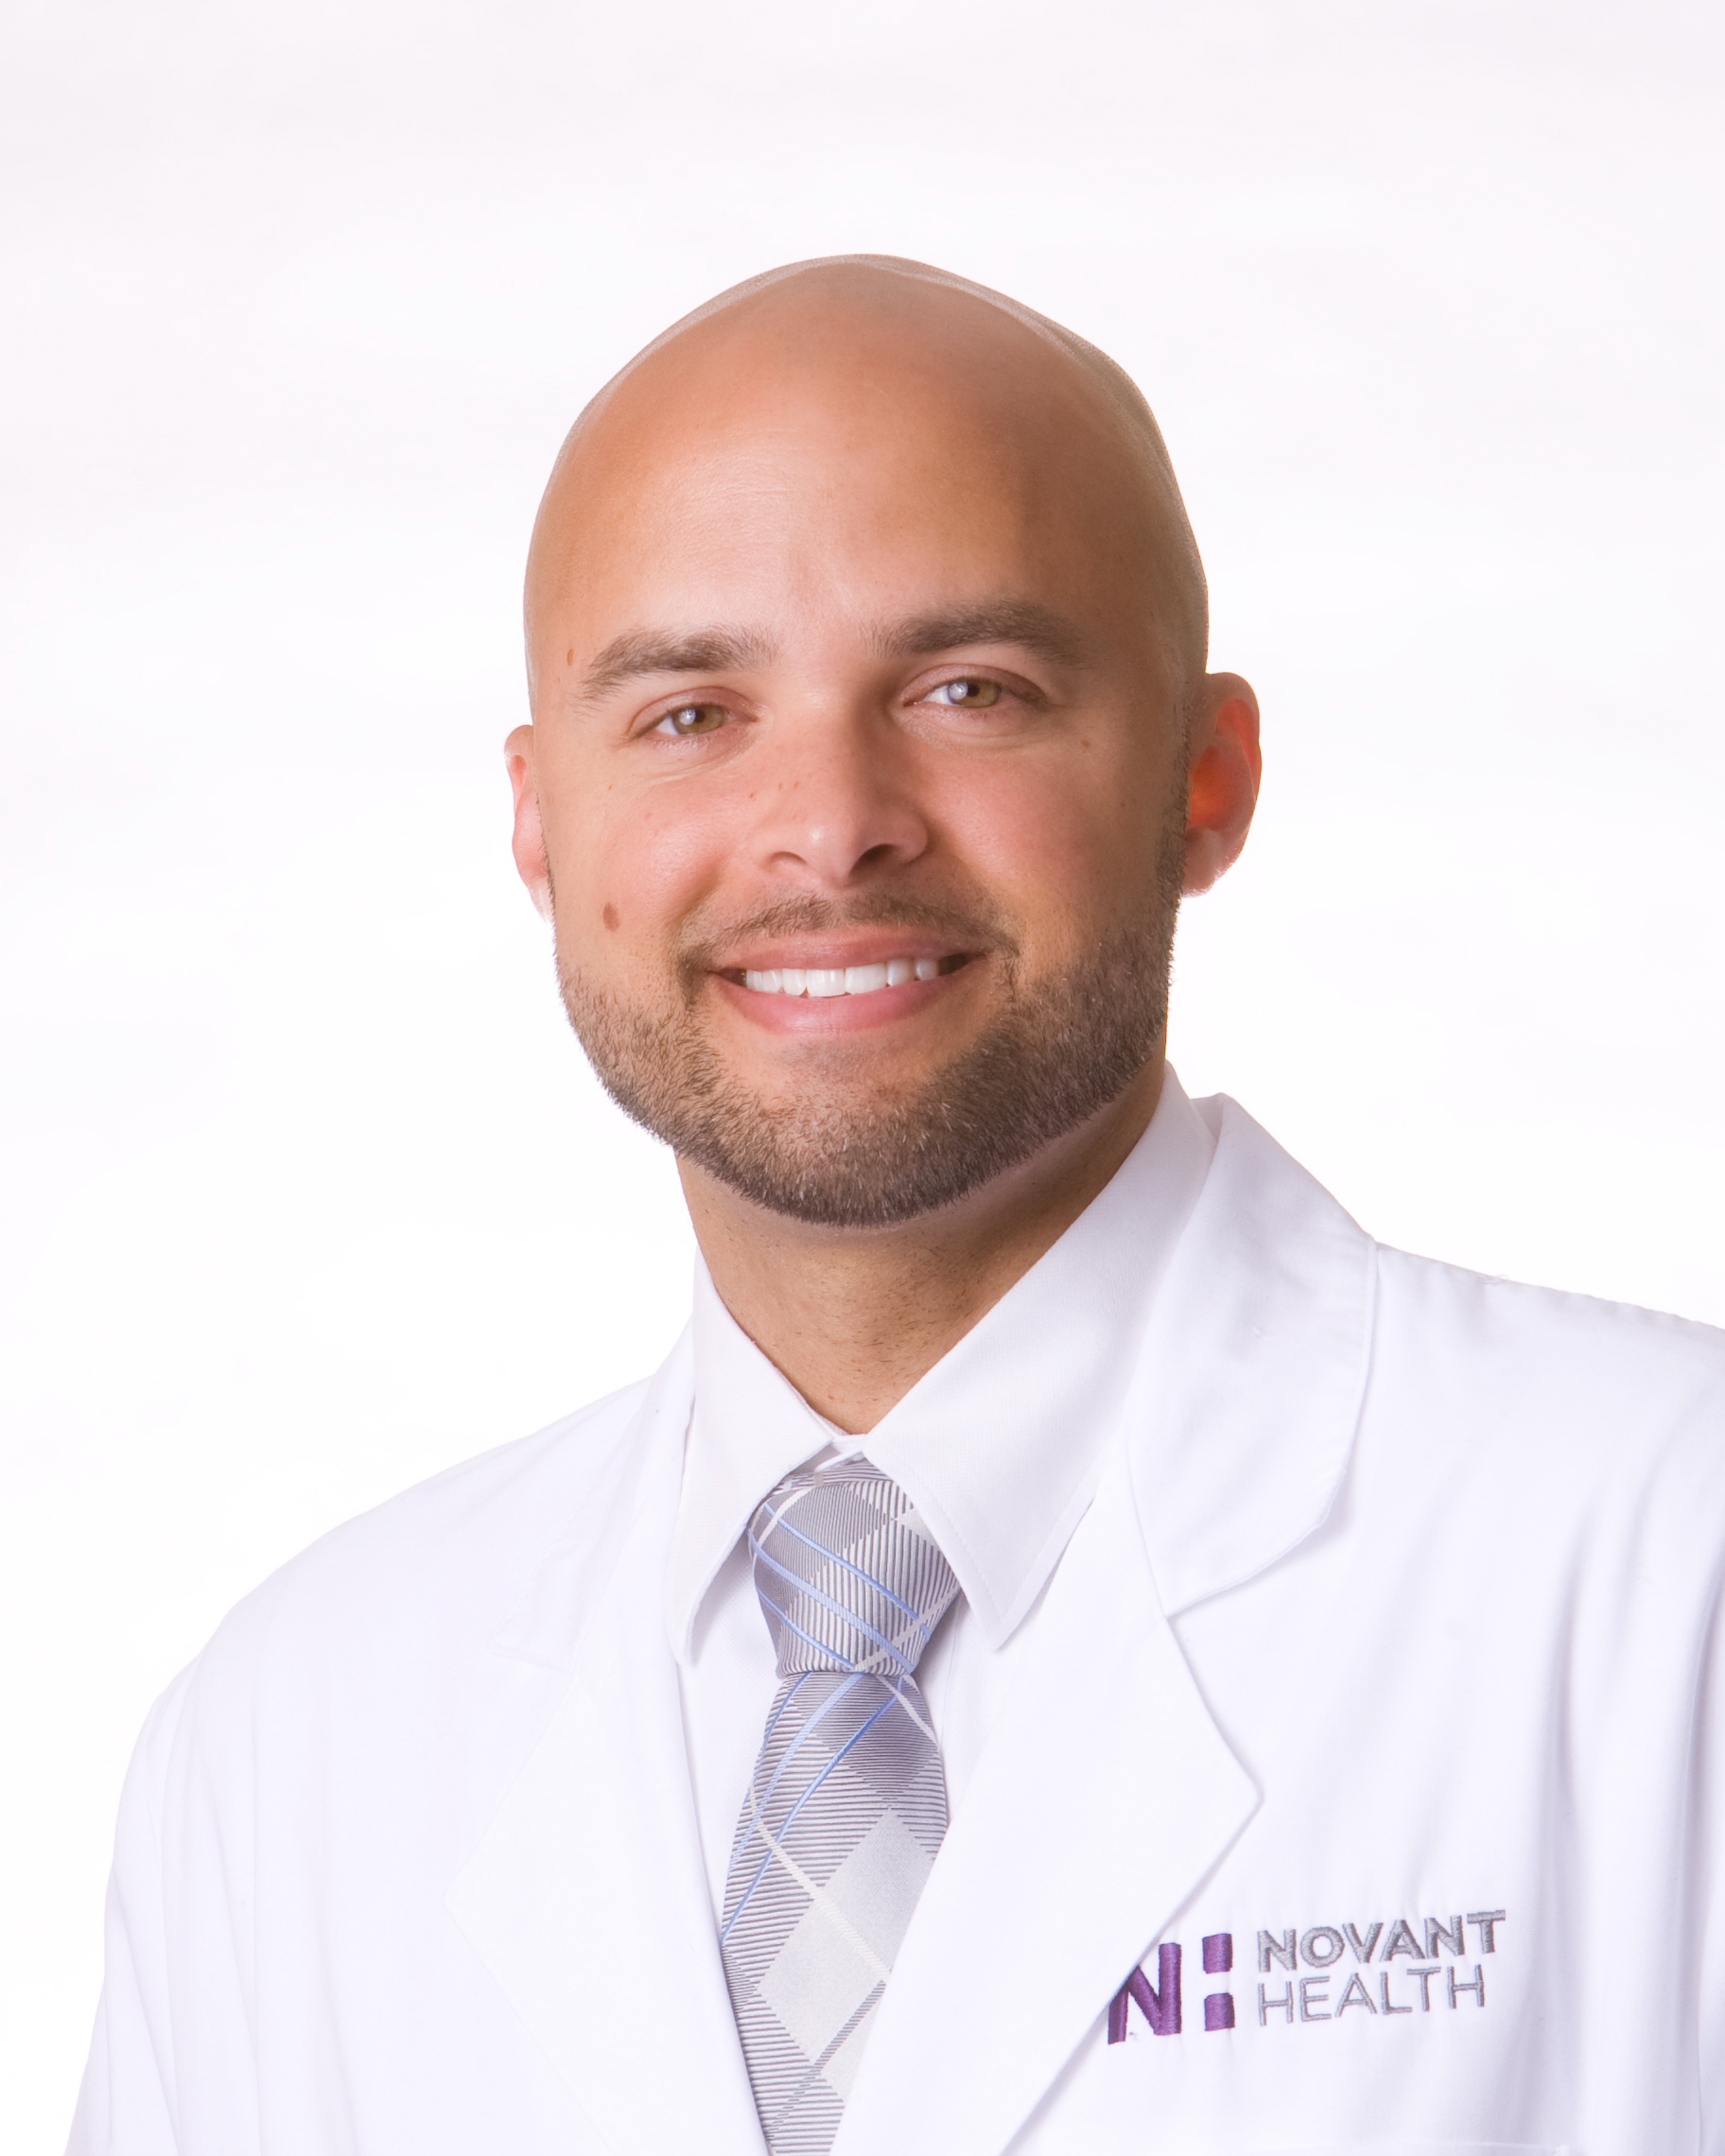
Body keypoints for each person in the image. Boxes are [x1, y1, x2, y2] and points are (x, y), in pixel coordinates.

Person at [68, 255, 1725, 2156]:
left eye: (968, 689)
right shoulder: (291, 1747)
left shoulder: (1672, 1563)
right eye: (691, 712)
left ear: (1208, 771)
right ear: (541, 823)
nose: (830, 821)